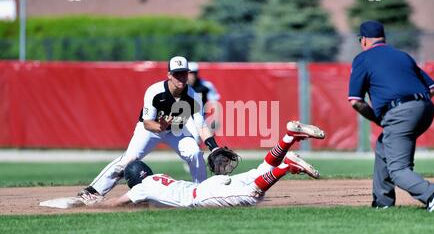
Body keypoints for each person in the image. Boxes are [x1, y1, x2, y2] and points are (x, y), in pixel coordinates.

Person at [78, 56, 226, 203]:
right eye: (176, 73)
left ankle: (201, 193)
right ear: (169, 75)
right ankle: (93, 191)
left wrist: (214, 147)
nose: (180, 77)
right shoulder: (155, 91)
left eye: (183, 73)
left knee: (195, 153)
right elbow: (147, 123)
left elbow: (201, 126)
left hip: (176, 131)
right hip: (149, 130)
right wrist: (160, 126)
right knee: (130, 158)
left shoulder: (193, 96)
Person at [81, 121, 326, 209]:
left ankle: (286, 166)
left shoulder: (140, 189)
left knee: (252, 194)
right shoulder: (159, 179)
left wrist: (96, 203)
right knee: (262, 168)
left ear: (133, 180)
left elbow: (118, 202)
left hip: (205, 196)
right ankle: (288, 137)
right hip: (207, 186)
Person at [348, 20, 434, 212]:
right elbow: (433, 87)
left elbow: (356, 101)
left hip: (400, 111)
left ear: (363, 41)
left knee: (398, 170)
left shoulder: (362, 59)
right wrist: (413, 106)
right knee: (383, 146)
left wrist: (382, 119)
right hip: (426, 108)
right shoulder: (403, 56)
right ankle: (382, 202)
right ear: (383, 38)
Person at [184, 62, 221, 144]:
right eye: (190, 73)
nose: (192, 76)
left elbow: (215, 103)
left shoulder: (206, 86)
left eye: (194, 73)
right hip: (183, 117)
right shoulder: (180, 86)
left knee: (196, 140)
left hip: (199, 117)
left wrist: (215, 120)